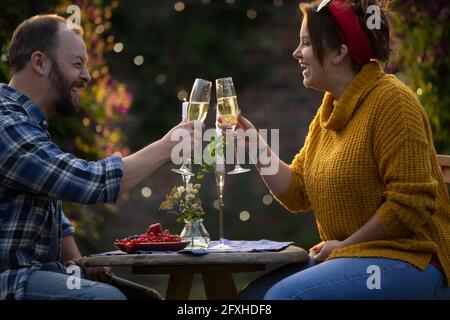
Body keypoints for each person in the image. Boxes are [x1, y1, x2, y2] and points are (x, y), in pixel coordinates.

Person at [230, 0, 450, 300]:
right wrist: (257, 148)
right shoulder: (331, 110)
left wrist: (346, 246)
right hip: (353, 258)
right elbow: (298, 192)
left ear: (339, 52)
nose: (296, 53)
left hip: (413, 261)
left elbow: (409, 204)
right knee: (249, 301)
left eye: (306, 43)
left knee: (284, 298)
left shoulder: (393, 101)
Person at [0, 14, 197, 300]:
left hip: (40, 273)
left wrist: (78, 262)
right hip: (10, 280)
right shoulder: (6, 126)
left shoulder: (29, 125)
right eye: (77, 63)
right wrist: (167, 147)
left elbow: (52, 209)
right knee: (106, 299)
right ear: (40, 62)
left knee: (147, 299)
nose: (87, 76)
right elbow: (88, 183)